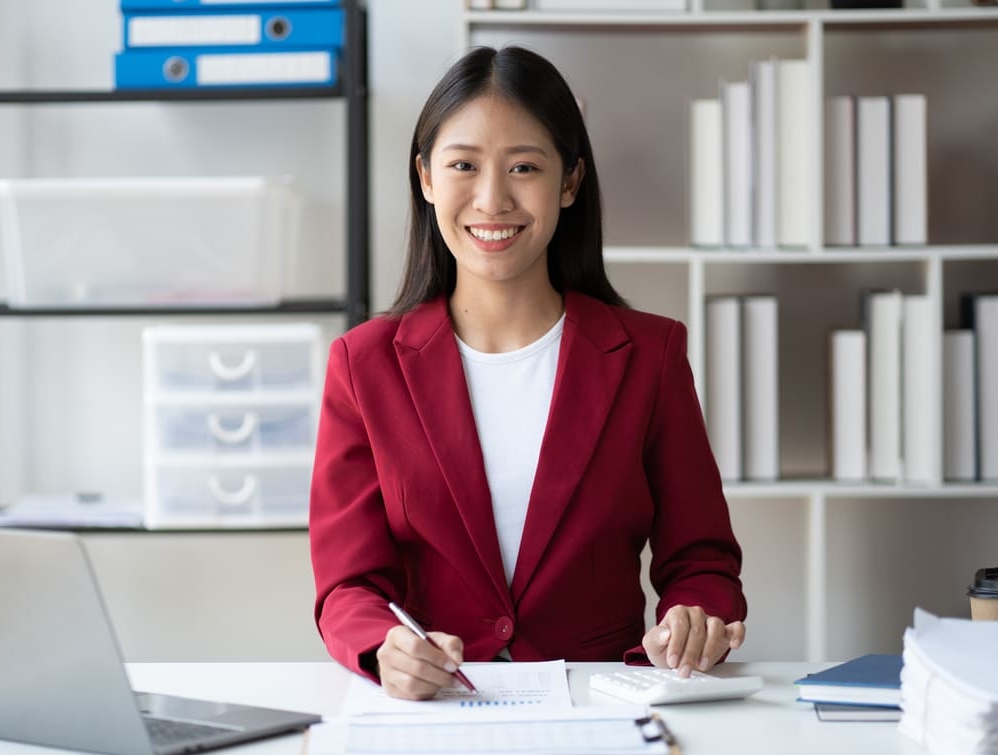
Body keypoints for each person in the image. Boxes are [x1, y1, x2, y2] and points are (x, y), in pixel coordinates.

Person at [309, 45, 746, 701]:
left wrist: (694, 617)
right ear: (426, 178)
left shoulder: (650, 355)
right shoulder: (363, 364)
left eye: (524, 167)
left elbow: (702, 560)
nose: (493, 199)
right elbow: (348, 585)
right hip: (438, 706)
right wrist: (384, 646)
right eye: (463, 165)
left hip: (600, 705)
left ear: (569, 182)